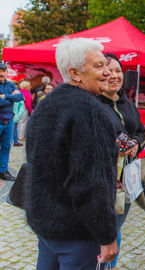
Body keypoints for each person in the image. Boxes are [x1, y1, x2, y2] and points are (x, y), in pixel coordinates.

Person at [25, 38, 119, 270]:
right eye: (99, 66)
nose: (108, 72)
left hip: (48, 225)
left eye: (106, 65)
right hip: (76, 233)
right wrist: (107, 236)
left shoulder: (47, 104)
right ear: (75, 73)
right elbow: (90, 183)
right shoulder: (90, 111)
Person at [97, 53, 145, 270]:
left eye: (118, 71)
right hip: (101, 179)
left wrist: (136, 142)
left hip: (126, 178)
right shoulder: (92, 103)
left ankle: (110, 266)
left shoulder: (127, 104)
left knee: (116, 226)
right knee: (99, 228)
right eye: (109, 71)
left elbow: (141, 132)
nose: (114, 75)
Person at [0, 63, 24, 181]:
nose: (1, 73)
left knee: (6, 147)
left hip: (9, 120)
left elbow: (20, 97)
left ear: (6, 72)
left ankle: (3, 170)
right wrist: (11, 98)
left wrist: (5, 96)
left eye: (3, 71)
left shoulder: (10, 84)